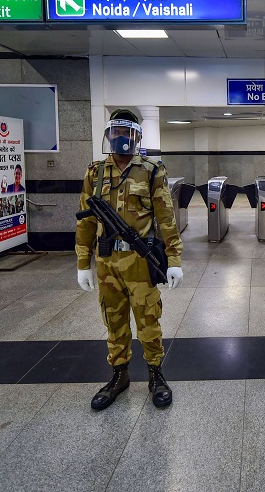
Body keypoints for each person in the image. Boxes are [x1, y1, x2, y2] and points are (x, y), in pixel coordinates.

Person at [76, 109, 184, 411]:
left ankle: (155, 375)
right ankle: (119, 376)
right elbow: (85, 222)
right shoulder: (94, 172)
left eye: (126, 133)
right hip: (107, 261)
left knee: (148, 320)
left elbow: (166, 217)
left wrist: (173, 258)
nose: (120, 138)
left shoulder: (151, 170)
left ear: (135, 137)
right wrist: (83, 262)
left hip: (140, 260)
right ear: (109, 135)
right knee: (114, 320)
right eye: (116, 133)